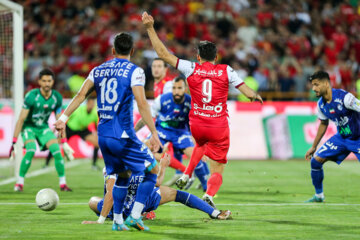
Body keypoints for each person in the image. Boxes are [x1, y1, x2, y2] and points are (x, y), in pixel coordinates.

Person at [142, 12, 263, 208]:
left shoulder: (191, 68)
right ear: (216, 57)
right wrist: (254, 96)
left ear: (198, 57)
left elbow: (163, 55)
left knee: (200, 145)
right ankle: (209, 194)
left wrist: (149, 28)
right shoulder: (226, 70)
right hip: (218, 124)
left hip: (197, 124)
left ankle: (187, 173)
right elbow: (247, 92)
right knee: (218, 166)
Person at [54, 32, 162, 231]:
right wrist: (154, 132)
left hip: (103, 136)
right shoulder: (135, 71)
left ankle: (118, 221)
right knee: (153, 170)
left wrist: (62, 119)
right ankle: (136, 216)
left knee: (122, 176)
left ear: (113, 51)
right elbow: (142, 103)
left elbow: (80, 95)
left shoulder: (98, 70)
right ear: (132, 51)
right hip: (123, 136)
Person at [83, 153, 231, 224]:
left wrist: (99, 221)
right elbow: (157, 182)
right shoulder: (141, 162)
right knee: (177, 194)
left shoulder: (111, 167)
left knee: (92, 201)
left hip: (117, 209)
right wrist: (163, 167)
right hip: (143, 201)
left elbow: (110, 195)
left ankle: (130, 215)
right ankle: (215, 213)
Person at [135, 76, 209, 191]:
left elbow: (197, 125)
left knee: (195, 155)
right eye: (174, 88)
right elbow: (147, 117)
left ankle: (206, 188)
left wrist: (200, 145)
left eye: (179, 88)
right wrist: (133, 131)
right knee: (144, 149)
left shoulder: (192, 103)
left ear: (185, 89)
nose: (176, 91)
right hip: (161, 130)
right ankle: (139, 180)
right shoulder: (162, 99)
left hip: (181, 132)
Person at [9, 68, 73, 192]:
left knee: (56, 151)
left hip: (43, 128)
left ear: (53, 82)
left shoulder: (57, 98)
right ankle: (19, 183)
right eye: (44, 81)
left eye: (49, 81)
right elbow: (21, 119)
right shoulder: (31, 96)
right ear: (39, 82)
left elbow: (60, 121)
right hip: (29, 128)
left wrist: (64, 142)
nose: (47, 83)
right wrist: (14, 141)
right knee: (31, 150)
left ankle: (63, 184)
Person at [305, 70, 360, 202]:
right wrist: (314, 146)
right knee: (316, 161)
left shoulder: (345, 98)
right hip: (341, 138)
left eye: (316, 84)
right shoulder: (321, 105)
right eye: (313, 85)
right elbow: (323, 124)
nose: (313, 88)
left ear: (326, 84)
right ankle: (319, 196)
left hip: (358, 138)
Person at [44, 96, 100, 170]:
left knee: (97, 143)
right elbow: (64, 118)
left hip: (83, 130)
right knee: (55, 143)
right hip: (70, 128)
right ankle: (46, 163)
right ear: (87, 103)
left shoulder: (94, 114)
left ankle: (94, 165)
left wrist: (96, 134)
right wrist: (57, 129)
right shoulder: (78, 110)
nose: (92, 105)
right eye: (90, 103)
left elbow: (96, 124)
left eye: (93, 104)